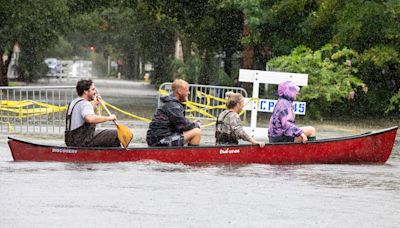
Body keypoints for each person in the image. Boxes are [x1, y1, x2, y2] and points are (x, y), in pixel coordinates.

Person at [65, 79, 121, 147]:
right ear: (85, 91)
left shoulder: (74, 102)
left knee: (101, 132)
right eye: (93, 89)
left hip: (70, 140)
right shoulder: (85, 104)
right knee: (116, 134)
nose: (95, 92)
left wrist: (95, 102)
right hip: (82, 142)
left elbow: (85, 111)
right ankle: (117, 155)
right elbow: (90, 119)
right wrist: (109, 118)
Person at [146, 79, 201, 147]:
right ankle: (192, 156)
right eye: (187, 90)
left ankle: (185, 155)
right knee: (197, 132)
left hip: (158, 139)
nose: (189, 93)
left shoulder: (172, 103)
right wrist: (196, 124)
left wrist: (192, 124)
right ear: (179, 91)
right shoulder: (173, 106)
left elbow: (181, 125)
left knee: (193, 129)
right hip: (160, 141)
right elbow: (184, 126)